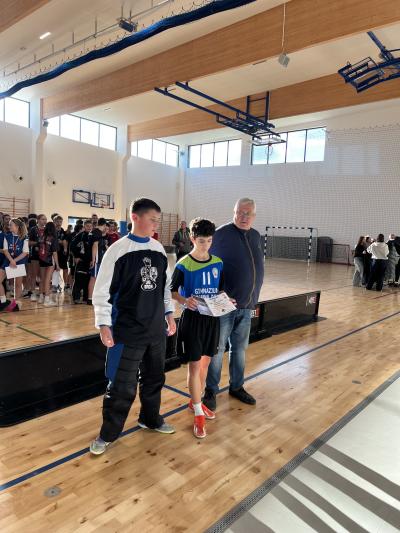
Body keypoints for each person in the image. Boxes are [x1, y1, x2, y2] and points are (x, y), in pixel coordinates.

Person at [89, 198, 176, 456]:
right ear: (135, 218)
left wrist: (169, 314)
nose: (156, 225)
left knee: (154, 379)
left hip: (156, 332)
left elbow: (165, 288)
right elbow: (101, 292)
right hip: (126, 332)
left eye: (158, 221)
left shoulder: (158, 250)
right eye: (152, 220)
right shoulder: (117, 251)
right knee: (121, 387)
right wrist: (104, 324)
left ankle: (150, 419)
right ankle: (108, 434)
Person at [203, 198, 264, 411]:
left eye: (248, 213)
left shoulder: (256, 236)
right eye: (240, 212)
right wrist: (218, 293)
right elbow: (205, 263)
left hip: (246, 305)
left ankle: (236, 387)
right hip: (223, 305)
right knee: (217, 350)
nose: (244, 216)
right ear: (234, 212)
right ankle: (210, 390)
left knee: (239, 350)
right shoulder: (220, 234)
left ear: (254, 216)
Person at [171, 218, 224, 438]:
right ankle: (199, 414)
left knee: (205, 364)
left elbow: (219, 291)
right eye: (202, 241)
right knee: (194, 366)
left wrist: (225, 301)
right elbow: (172, 291)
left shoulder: (218, 263)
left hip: (212, 320)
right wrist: (185, 301)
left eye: (209, 241)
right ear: (192, 239)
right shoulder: (184, 263)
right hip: (192, 321)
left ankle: (196, 402)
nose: (206, 245)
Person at [0, 218, 29, 311]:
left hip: (19, 261)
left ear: (17, 226)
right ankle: (3, 301)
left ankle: (17, 303)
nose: (9, 226)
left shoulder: (24, 238)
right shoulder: (7, 236)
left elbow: (25, 252)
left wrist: (14, 260)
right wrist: (11, 260)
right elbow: (5, 250)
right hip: (8, 260)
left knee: (18, 284)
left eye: (11, 225)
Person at [70, 219, 92, 304]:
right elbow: (72, 246)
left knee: (88, 280)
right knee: (79, 280)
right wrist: (76, 257)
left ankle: (86, 298)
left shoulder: (93, 236)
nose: (89, 227)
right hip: (81, 261)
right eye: (87, 226)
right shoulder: (80, 235)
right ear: (84, 226)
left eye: (90, 226)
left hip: (89, 262)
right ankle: (76, 297)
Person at [38, 221, 60, 306]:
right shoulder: (53, 238)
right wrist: (57, 265)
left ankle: (41, 298)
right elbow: (54, 252)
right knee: (47, 280)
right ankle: (47, 300)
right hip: (50, 260)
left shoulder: (42, 236)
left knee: (42, 279)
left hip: (41, 259)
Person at [87, 217, 108, 305]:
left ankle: (92, 297)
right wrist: (93, 259)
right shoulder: (97, 232)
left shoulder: (93, 231)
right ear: (104, 225)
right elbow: (95, 246)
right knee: (93, 278)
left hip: (94, 258)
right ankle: (90, 298)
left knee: (95, 278)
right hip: (96, 259)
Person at [29, 214, 47, 301]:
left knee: (42, 276)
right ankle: (33, 293)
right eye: (43, 219)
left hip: (45, 255)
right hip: (35, 255)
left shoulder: (47, 230)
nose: (45, 221)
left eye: (45, 219)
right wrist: (37, 243)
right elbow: (29, 242)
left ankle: (41, 293)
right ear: (38, 220)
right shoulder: (33, 229)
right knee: (34, 274)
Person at [54, 215, 68, 290]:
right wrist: (60, 242)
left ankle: (65, 284)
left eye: (60, 222)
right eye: (57, 221)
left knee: (65, 269)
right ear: (54, 222)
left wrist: (62, 243)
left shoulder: (64, 232)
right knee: (55, 269)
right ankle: (55, 285)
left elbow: (65, 242)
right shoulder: (51, 231)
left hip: (62, 253)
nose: (59, 223)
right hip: (54, 253)